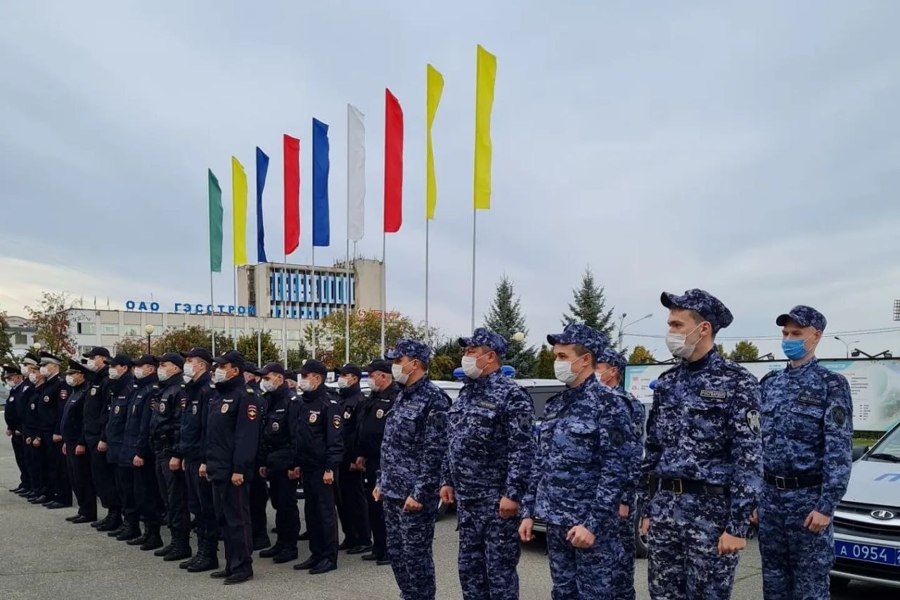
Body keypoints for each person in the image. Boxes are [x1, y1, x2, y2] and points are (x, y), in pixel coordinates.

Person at [638, 289, 762, 600]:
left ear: (702, 328)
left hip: (711, 515)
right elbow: (653, 450)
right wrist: (646, 507)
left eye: (677, 325)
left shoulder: (737, 382)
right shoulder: (667, 382)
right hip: (666, 511)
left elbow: (748, 457)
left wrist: (737, 526)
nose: (670, 332)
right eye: (670, 325)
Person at [519, 324, 634, 599]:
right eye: (556, 356)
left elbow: (615, 469)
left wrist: (592, 524)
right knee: (563, 593)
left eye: (562, 356)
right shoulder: (555, 404)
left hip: (589, 526)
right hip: (557, 522)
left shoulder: (610, 403)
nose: (556, 362)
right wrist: (528, 511)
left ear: (585, 360)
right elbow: (541, 461)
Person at [756, 306, 852, 600]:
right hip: (770, 501)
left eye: (796, 333)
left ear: (816, 336)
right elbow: (757, 445)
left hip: (808, 504)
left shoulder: (830, 384)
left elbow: (838, 449)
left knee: (810, 589)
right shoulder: (769, 384)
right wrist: (754, 497)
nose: (788, 339)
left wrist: (826, 506)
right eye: (785, 333)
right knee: (773, 586)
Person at [441, 328, 535, 600]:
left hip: (496, 504)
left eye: (471, 352)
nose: (465, 357)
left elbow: (523, 449)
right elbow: (454, 440)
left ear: (490, 356)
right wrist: (447, 479)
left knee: (499, 576)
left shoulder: (511, 396)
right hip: (468, 504)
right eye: (466, 351)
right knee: (470, 574)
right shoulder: (466, 394)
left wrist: (513, 494)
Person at [375, 339, 450, 600]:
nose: (394, 366)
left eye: (398, 361)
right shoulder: (401, 396)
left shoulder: (434, 399)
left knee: (416, 558)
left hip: (414, 497)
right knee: (396, 554)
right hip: (392, 492)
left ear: (415, 363)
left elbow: (435, 452)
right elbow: (390, 444)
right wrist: (380, 480)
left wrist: (420, 493)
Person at [202, 350, 260, 585]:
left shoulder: (245, 397)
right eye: (216, 366)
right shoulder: (217, 396)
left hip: (233, 470)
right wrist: (206, 461)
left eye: (222, 366)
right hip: (217, 466)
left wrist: (239, 468)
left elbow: (245, 438)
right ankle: (230, 563)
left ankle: (243, 566)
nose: (217, 370)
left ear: (235, 370)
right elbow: (213, 435)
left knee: (238, 519)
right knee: (224, 519)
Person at [596, 346, 646, 600]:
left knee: (619, 564)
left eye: (599, 367)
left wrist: (626, 499)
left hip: (619, 500)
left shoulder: (629, 405)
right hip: (596, 497)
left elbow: (633, 455)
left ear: (612, 371)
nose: (595, 371)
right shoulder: (592, 402)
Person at [290, 359, 344, 575]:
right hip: (308, 467)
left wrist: (330, 468)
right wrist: (296, 463)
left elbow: (335, 440)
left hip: (324, 469)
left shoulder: (329, 404)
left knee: (325, 513)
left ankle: (329, 557)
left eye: (305, 376)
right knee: (311, 513)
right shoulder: (302, 403)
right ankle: (316, 553)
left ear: (317, 378)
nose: (301, 380)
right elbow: (299, 437)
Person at [176, 347, 219, 573]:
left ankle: (209, 554)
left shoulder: (206, 390)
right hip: (190, 456)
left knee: (205, 509)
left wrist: (204, 459)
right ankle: (200, 551)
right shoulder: (191, 389)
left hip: (201, 459)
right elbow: (188, 427)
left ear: (201, 365)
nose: (187, 364)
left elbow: (207, 430)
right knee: (195, 507)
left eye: (190, 360)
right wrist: (185, 455)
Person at [256, 362, 301, 564]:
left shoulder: (292, 401)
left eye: (267, 378)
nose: (264, 382)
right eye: (263, 378)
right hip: (272, 460)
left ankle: (290, 546)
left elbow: (296, 437)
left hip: (286, 461)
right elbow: (265, 434)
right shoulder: (268, 400)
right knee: (277, 503)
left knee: (287, 504)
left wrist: (294, 464)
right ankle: (281, 542)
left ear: (280, 379)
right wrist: (263, 461)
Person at [149, 352, 192, 561]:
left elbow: (179, 425)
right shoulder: (164, 389)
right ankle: (175, 541)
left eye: (164, 364)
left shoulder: (178, 390)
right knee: (167, 499)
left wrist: (177, 453)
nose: (160, 368)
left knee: (177, 501)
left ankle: (182, 544)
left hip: (170, 451)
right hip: (160, 450)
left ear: (175, 368)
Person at [356, 360, 399, 565]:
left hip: (386, 461)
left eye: (371, 375)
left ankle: (390, 550)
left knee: (384, 509)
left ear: (383, 376)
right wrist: (362, 453)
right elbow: (366, 428)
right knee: (373, 506)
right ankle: (378, 546)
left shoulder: (394, 396)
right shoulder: (373, 397)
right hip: (371, 459)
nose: (369, 379)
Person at [123, 354, 164, 551]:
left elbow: (147, 425)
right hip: (134, 448)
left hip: (145, 452)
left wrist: (140, 450)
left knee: (148, 494)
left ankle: (153, 534)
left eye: (140, 366)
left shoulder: (151, 391)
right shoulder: (139, 389)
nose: (136, 369)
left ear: (150, 369)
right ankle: (148, 532)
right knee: (140, 493)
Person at [101, 354, 141, 542]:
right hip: (115, 446)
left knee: (128, 490)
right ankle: (125, 522)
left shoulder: (130, 387)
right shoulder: (115, 387)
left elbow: (130, 422)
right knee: (119, 487)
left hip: (125, 447)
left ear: (124, 367)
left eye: (114, 366)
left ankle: (132, 525)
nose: (110, 369)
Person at [81, 347, 120, 531]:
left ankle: (115, 514)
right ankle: (110, 512)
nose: (90, 361)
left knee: (106, 478)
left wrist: (103, 437)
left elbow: (107, 412)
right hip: (91, 436)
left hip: (100, 437)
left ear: (104, 359)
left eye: (93, 357)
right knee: (99, 477)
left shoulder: (107, 380)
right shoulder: (94, 379)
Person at [335, 363, 372, 555]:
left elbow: (359, 432)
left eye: (345, 374)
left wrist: (356, 456)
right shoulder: (342, 400)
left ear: (355, 378)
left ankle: (364, 538)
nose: (341, 377)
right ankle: (350, 536)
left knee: (355, 500)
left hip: (351, 458)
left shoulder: (359, 400)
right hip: (340, 457)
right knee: (342, 500)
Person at [60, 359, 97, 524]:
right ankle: (82, 509)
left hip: (79, 442)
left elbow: (85, 421)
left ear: (81, 375)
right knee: (74, 478)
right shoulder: (74, 391)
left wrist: (81, 442)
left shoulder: (85, 392)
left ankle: (89, 511)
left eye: (72, 374)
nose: (69, 377)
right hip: (70, 441)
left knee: (82, 478)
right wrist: (65, 441)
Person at [37, 351, 72, 509]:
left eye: (45, 365)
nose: (42, 368)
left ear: (54, 366)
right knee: (49, 464)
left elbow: (61, 410)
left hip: (54, 432)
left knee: (59, 466)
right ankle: (53, 493)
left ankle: (63, 496)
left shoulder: (60, 383)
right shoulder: (47, 383)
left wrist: (59, 431)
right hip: (45, 430)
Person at [3, 364, 32, 495]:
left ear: (18, 377)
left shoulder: (24, 389)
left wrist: (20, 427)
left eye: (10, 377)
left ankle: (30, 484)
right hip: (15, 430)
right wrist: (10, 427)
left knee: (26, 459)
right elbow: (11, 411)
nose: (8, 380)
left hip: (22, 430)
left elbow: (23, 412)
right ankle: (24, 482)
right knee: (20, 458)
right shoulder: (15, 390)